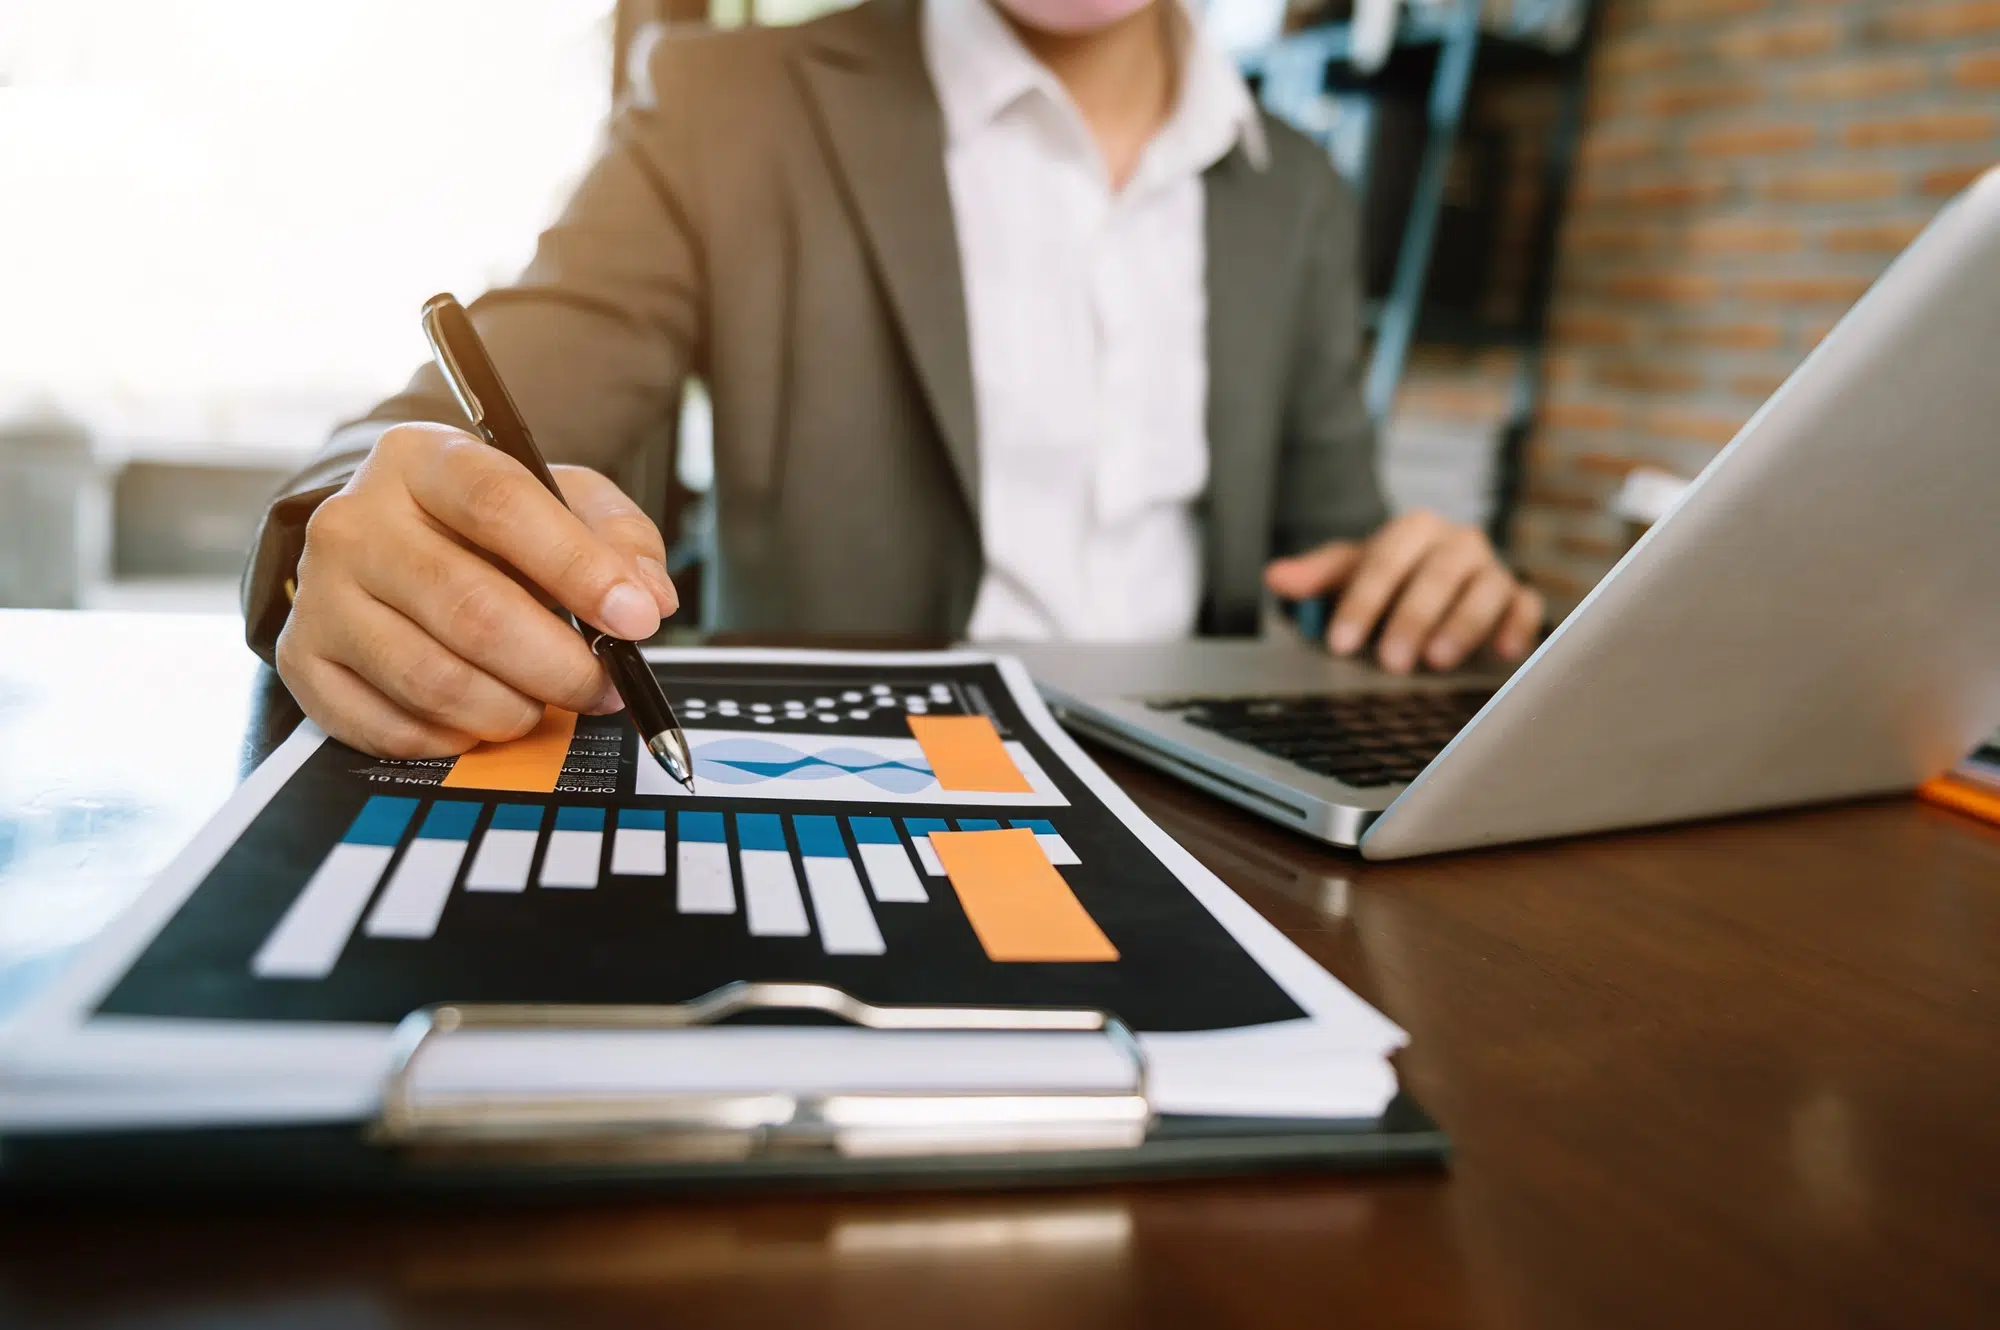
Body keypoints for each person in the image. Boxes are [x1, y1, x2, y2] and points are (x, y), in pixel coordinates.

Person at [243, 0, 1542, 760]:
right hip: (854, 781)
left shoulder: (1301, 188)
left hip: (1199, 813)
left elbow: (1337, 550)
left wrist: (1416, 588)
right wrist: (349, 523)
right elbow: (470, 409)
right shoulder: (731, 105)